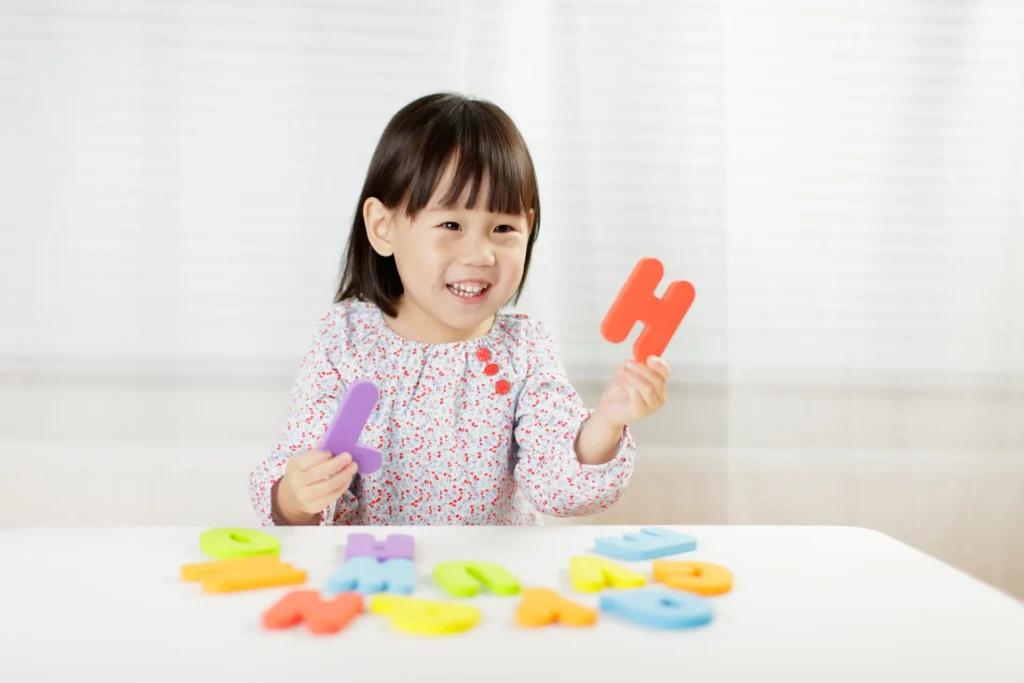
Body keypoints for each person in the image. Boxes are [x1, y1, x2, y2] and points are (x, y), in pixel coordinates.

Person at [248, 92, 671, 526]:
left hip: (492, 587)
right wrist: (297, 497)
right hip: (380, 582)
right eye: (451, 224)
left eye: (503, 228)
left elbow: (557, 487)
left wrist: (607, 421)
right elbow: (301, 488)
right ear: (382, 227)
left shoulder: (525, 349)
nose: (481, 254)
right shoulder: (345, 342)